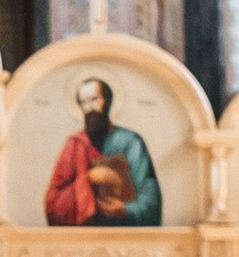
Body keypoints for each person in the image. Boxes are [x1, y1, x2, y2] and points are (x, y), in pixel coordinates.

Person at [43, 71, 162, 225]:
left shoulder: (131, 142)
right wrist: (90, 178)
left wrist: (125, 209)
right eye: (83, 102)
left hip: (126, 236)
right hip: (84, 237)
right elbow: (53, 205)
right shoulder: (74, 144)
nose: (89, 107)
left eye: (94, 99)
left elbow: (151, 202)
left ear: (107, 101)